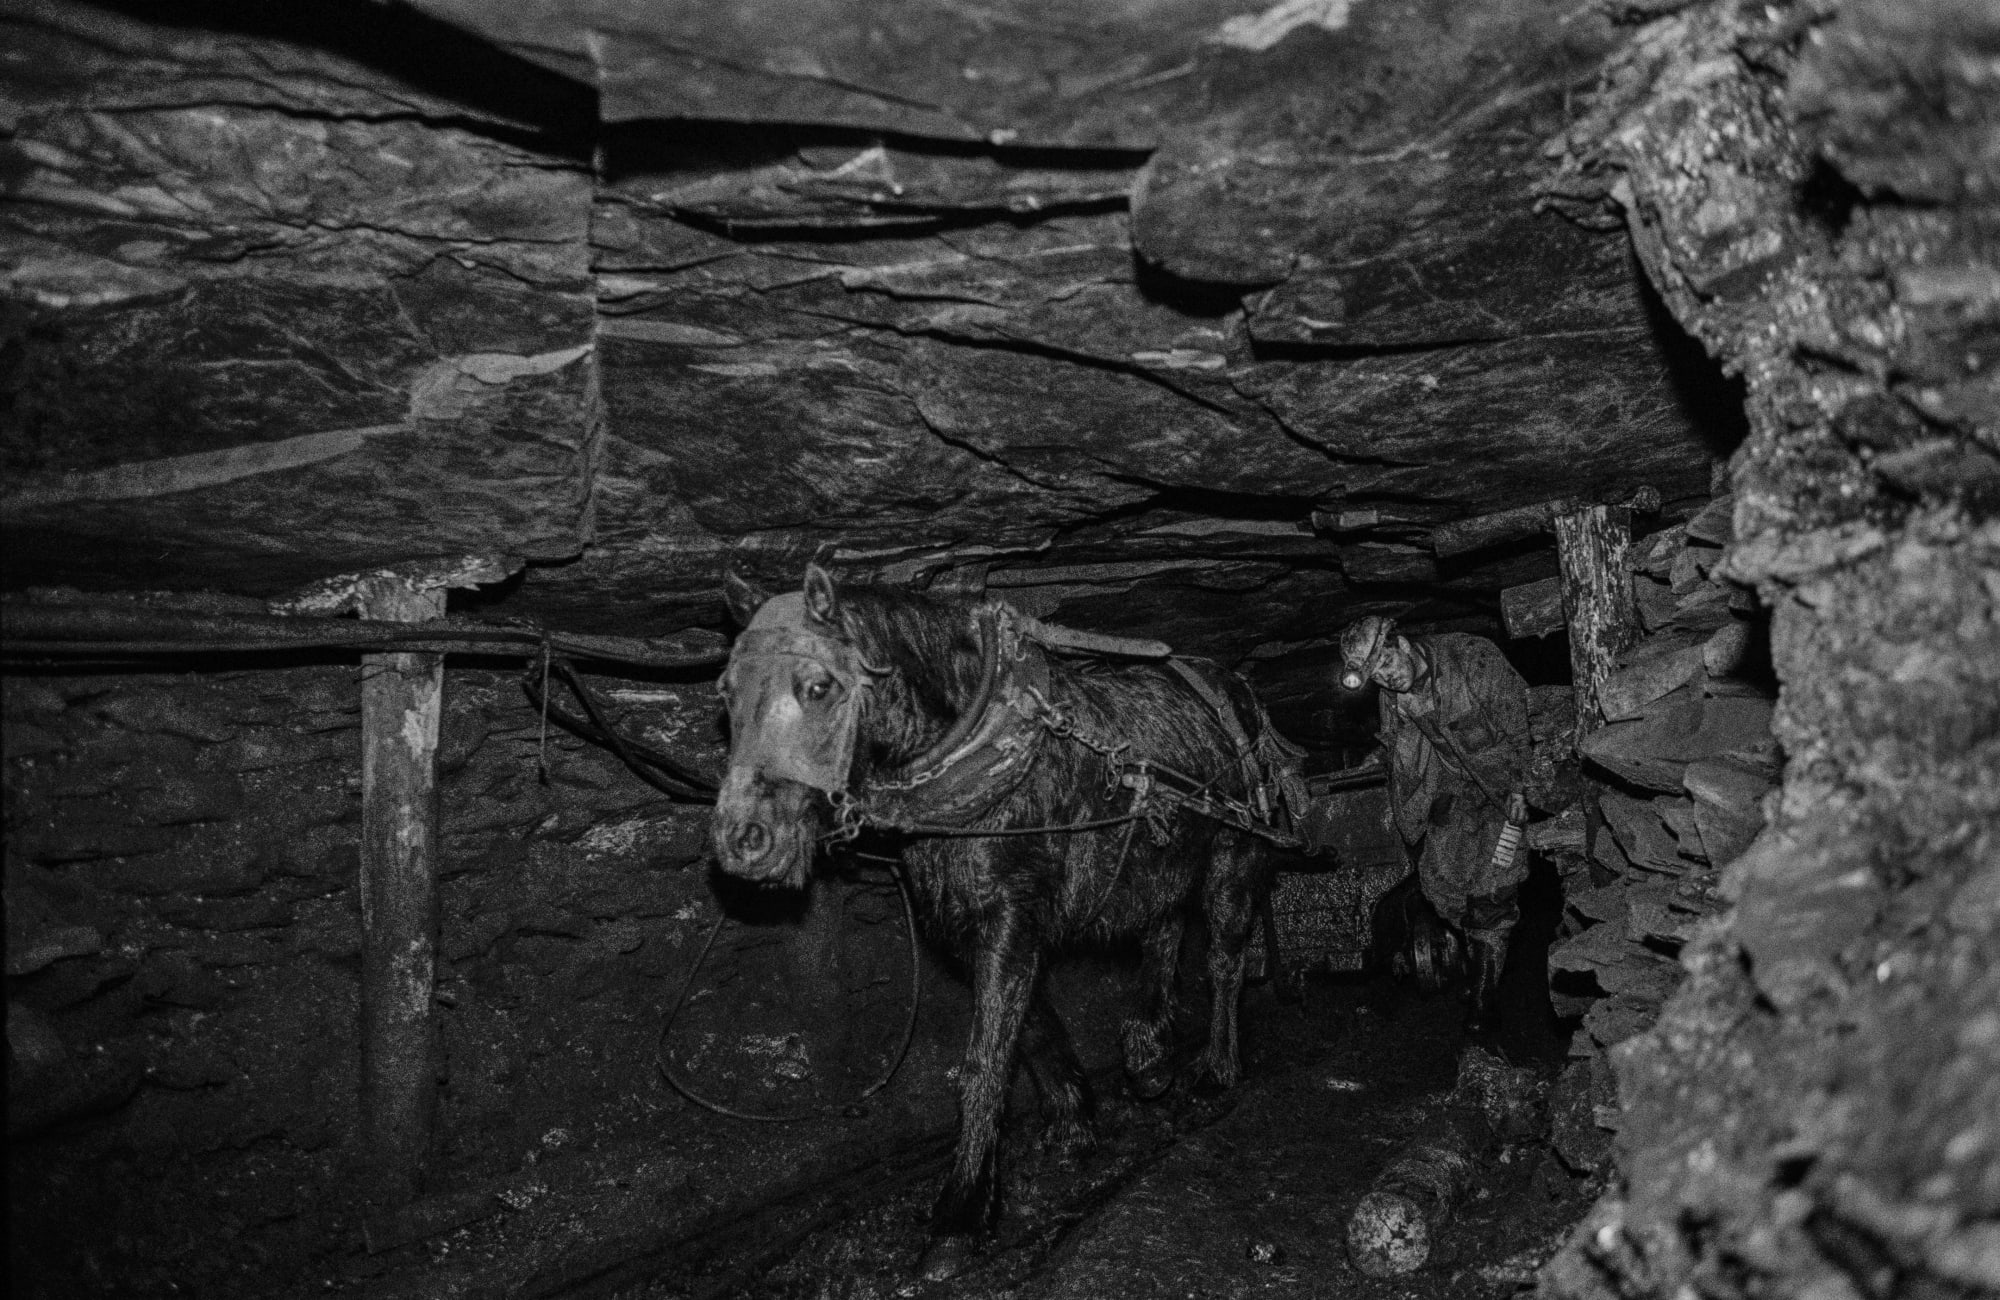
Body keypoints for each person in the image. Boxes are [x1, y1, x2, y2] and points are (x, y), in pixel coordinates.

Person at [1340, 615, 1531, 1034]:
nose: (1387, 679)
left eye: (1387, 663)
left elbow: (1519, 717)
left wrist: (1522, 785)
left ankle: (1483, 1008)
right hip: (1456, 790)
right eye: (1376, 676)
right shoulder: (1391, 696)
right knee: (1439, 881)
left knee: (1493, 887)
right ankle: (1482, 955)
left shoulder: (1470, 658)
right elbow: (1398, 746)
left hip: (1502, 791)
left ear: (1403, 642)